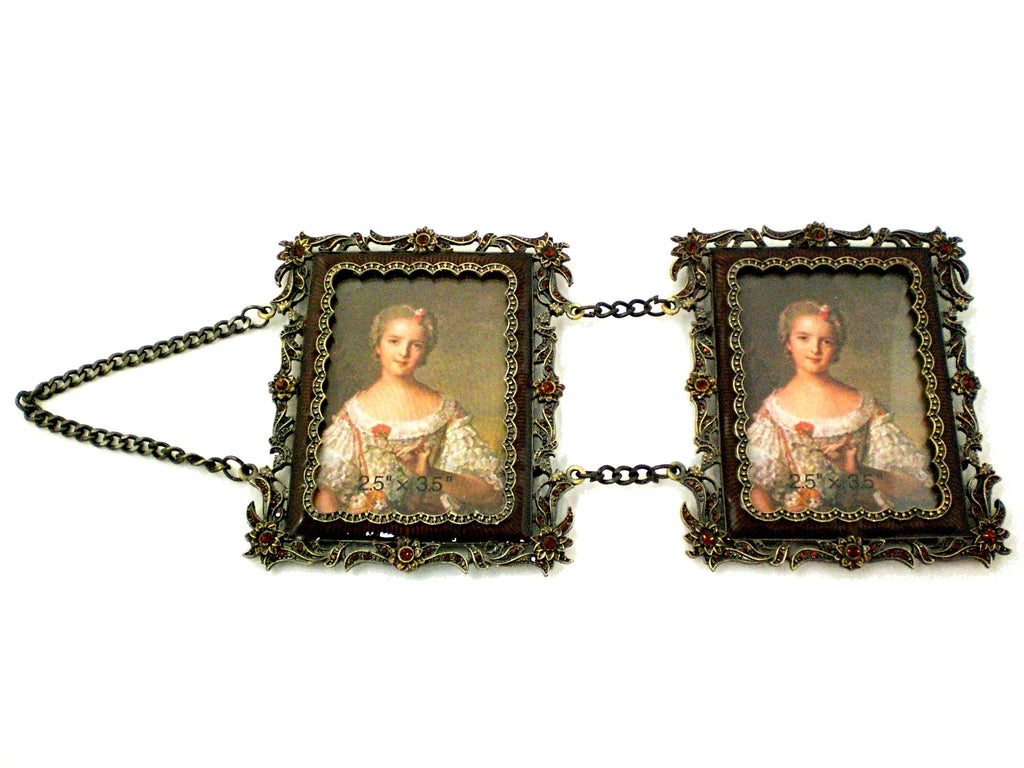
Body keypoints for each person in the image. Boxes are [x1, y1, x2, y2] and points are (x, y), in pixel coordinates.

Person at [313, 304, 503, 520]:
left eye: (416, 345)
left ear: (425, 353)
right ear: (378, 345)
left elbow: (491, 493)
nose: (403, 353)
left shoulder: (446, 412)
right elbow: (325, 493)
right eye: (394, 341)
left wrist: (430, 474)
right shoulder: (353, 415)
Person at [747, 300, 934, 515]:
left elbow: (919, 489)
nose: (814, 349)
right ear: (788, 342)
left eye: (826, 341)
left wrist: (859, 470)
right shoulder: (772, 414)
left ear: (836, 349)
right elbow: (755, 489)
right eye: (803, 338)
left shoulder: (865, 408)